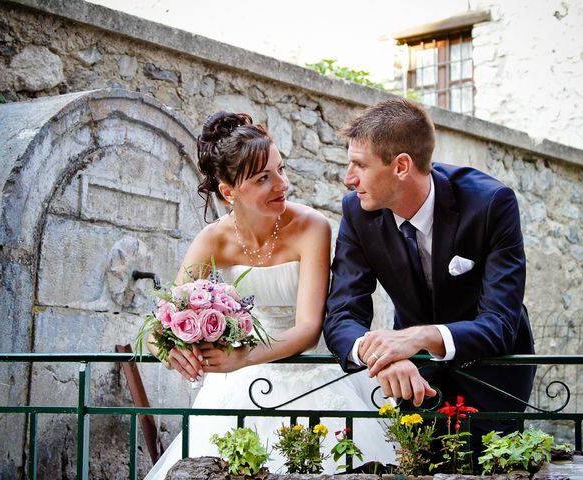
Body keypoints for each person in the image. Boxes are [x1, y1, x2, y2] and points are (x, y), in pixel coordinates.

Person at [144, 112, 395, 480]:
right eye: (264, 178)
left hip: (312, 374)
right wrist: (168, 349)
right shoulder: (213, 240)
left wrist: (242, 358)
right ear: (229, 192)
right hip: (237, 385)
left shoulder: (311, 227)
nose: (283, 184)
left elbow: (309, 329)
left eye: (280, 169)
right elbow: (160, 322)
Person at [323, 98, 536, 452]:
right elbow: (343, 313)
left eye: (359, 164)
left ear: (402, 166)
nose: (349, 179)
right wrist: (379, 355)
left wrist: (417, 337)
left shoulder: (490, 205)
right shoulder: (357, 213)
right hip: (413, 378)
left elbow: (499, 324)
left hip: (492, 377)